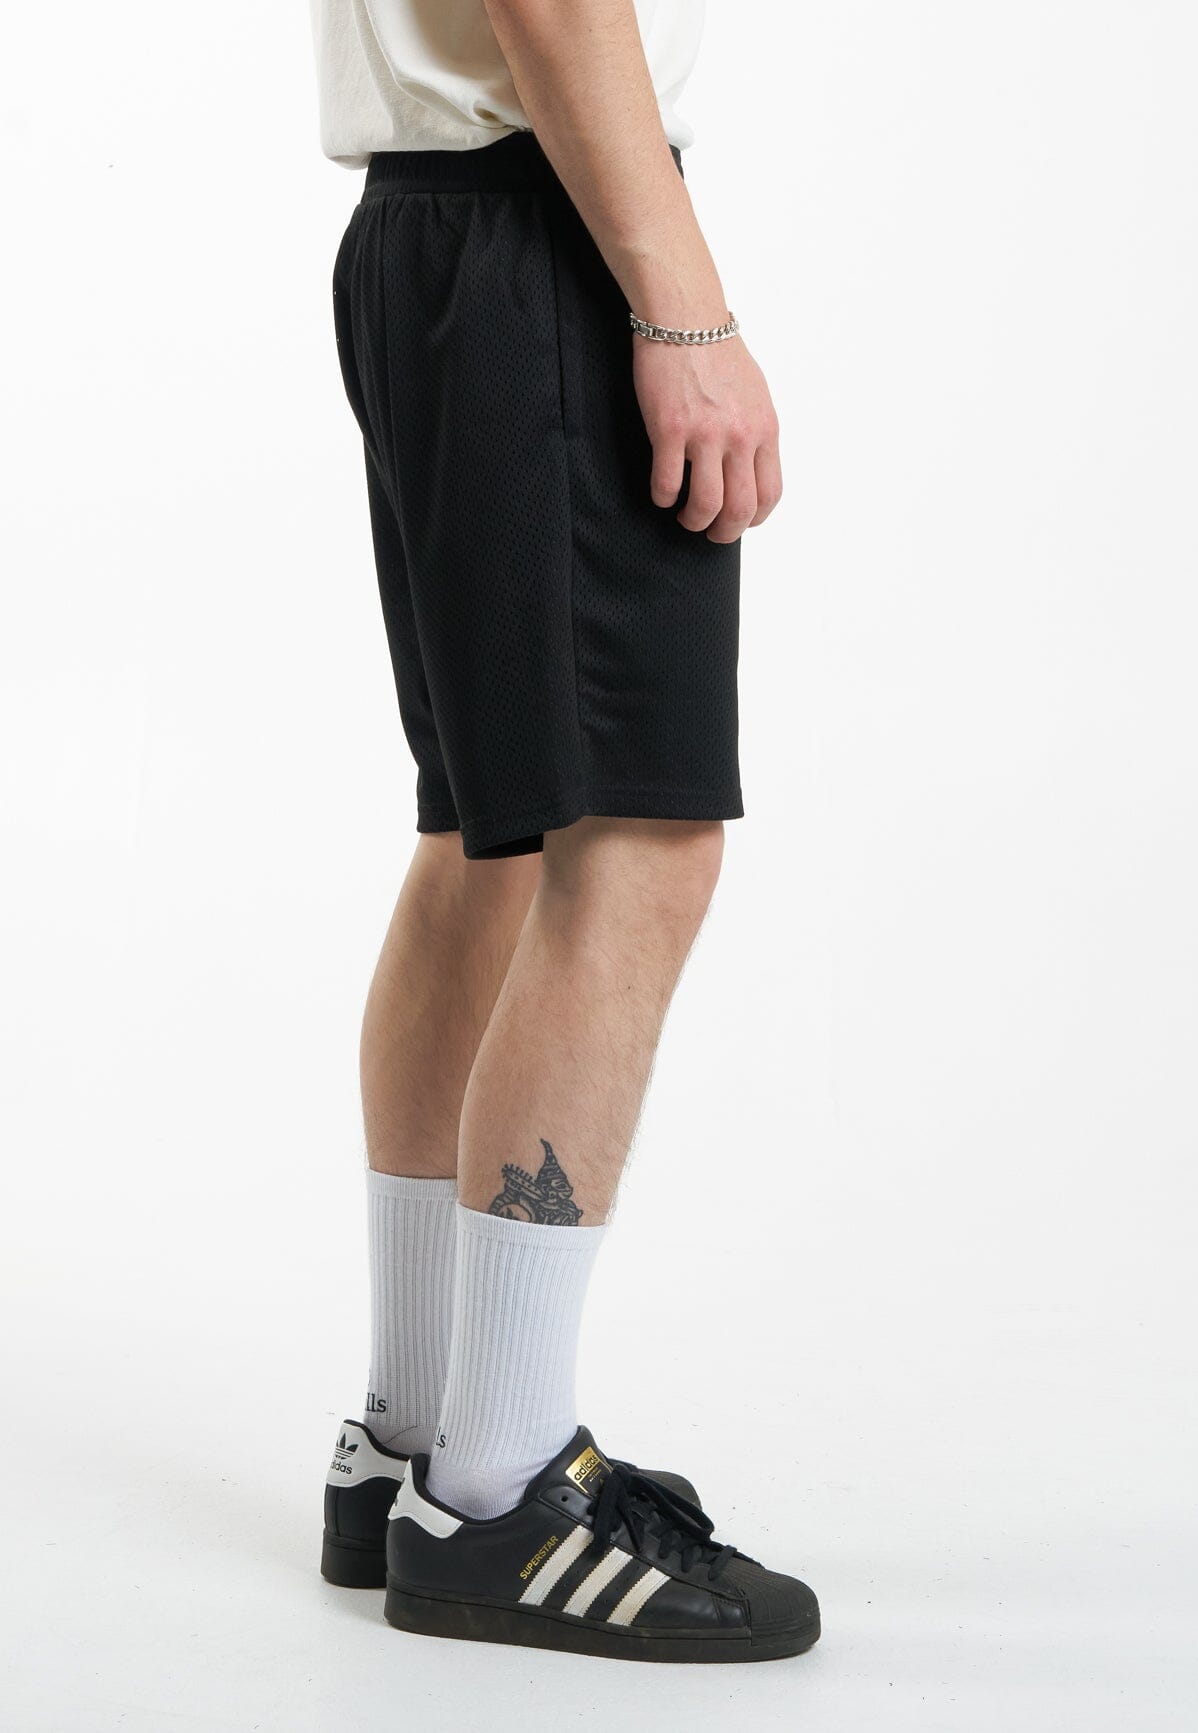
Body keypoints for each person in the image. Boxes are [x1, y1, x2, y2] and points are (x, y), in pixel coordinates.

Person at [310, 0, 819, 1662]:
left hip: (437, 226)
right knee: (636, 840)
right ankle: (501, 1487)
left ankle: (416, 1437)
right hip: (545, 223)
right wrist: (682, 308)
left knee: (490, 841)